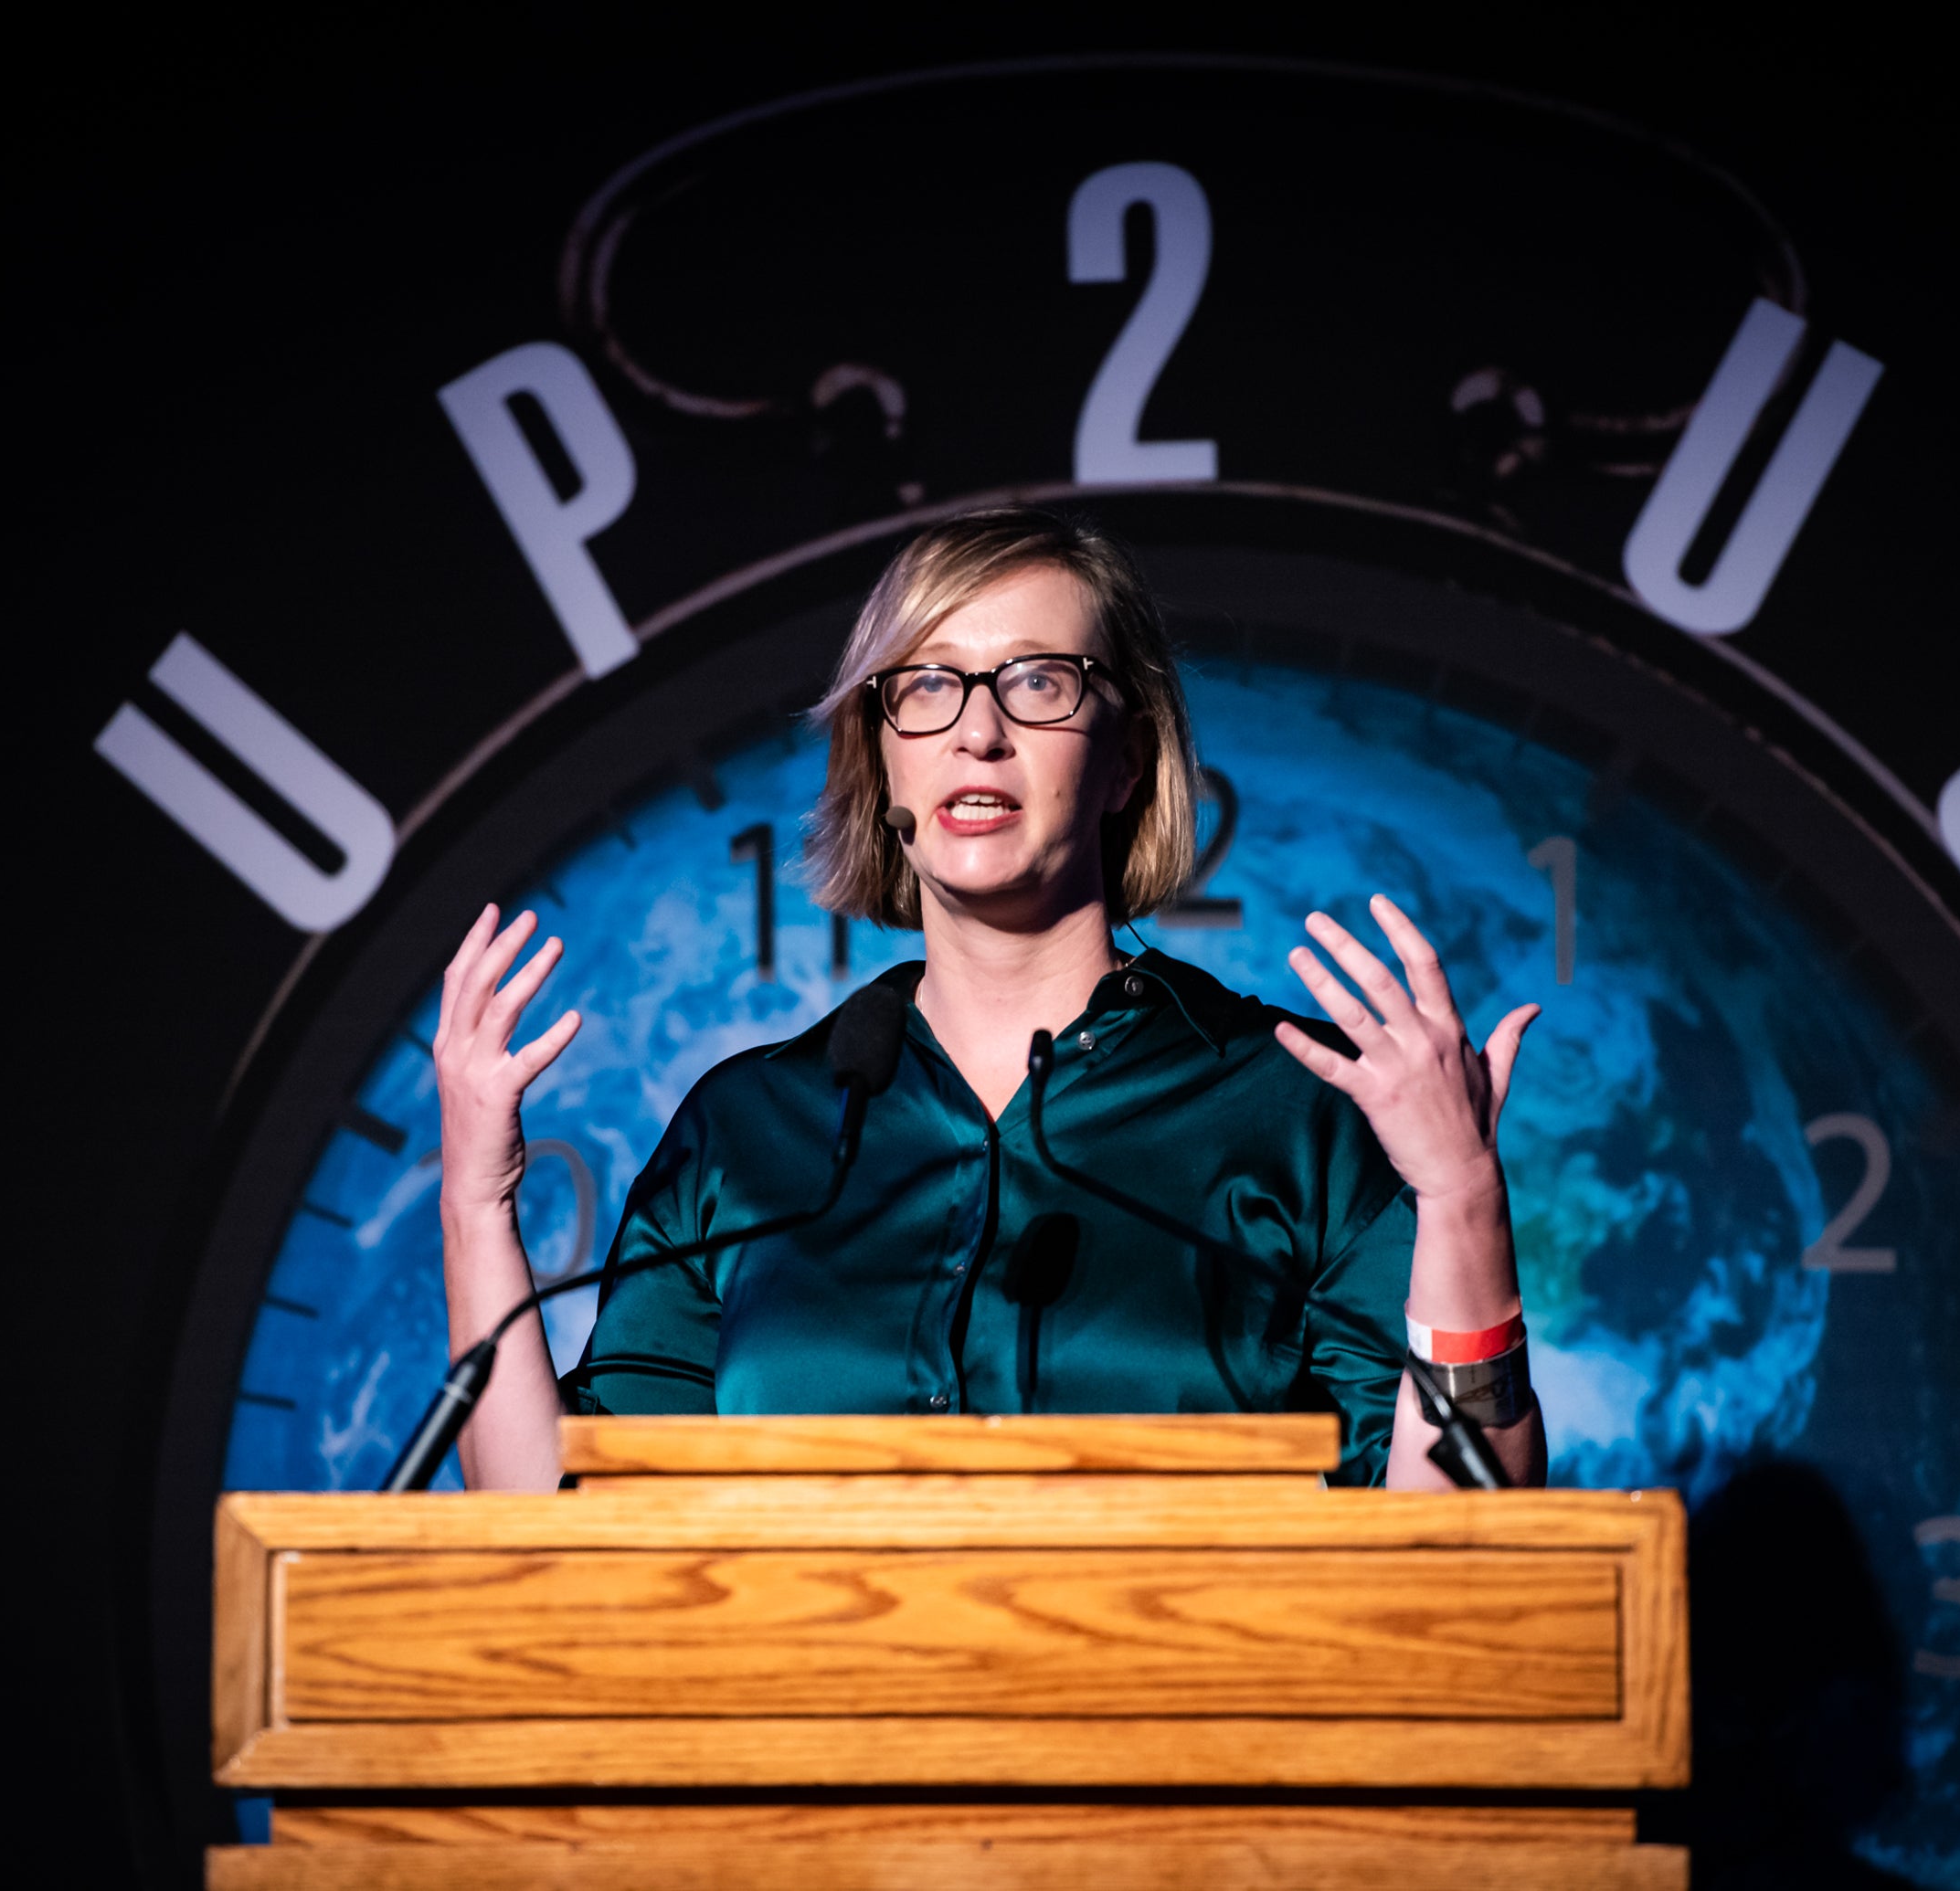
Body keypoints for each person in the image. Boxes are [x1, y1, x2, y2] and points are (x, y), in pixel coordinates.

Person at [431, 507, 1546, 1492]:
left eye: (1038, 681)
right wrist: (476, 1205)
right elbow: (562, 1528)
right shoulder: (745, 1132)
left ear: (1125, 761)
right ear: (884, 762)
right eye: (926, 684)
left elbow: (1451, 1548)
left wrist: (1457, 1203)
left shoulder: (1296, 1105)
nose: (977, 729)